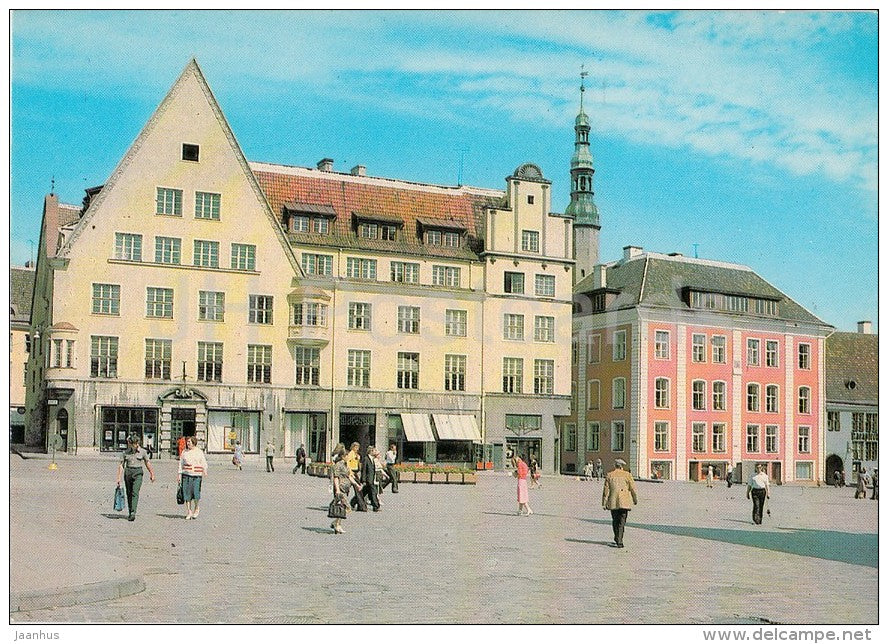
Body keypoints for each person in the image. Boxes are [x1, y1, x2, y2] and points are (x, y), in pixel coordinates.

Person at [116, 434, 156, 521]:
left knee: (135, 492)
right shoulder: (125, 452)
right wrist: (118, 478)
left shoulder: (143, 452)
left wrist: (152, 474)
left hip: (138, 473)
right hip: (128, 473)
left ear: (137, 443)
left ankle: (133, 512)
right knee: (129, 493)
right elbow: (121, 465)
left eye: (135, 444)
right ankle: (130, 511)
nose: (134, 446)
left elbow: (147, 463)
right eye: (132, 444)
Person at [602, 458, 638, 548]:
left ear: (615, 466)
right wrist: (635, 499)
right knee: (622, 522)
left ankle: (617, 539)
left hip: (613, 502)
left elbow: (606, 491)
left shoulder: (610, 475)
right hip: (624, 502)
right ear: (622, 466)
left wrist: (604, 502)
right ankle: (620, 541)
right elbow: (633, 489)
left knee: (615, 521)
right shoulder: (628, 475)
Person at [178, 436, 208, 520]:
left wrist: (205, 470)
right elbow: (181, 464)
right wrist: (179, 475)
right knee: (186, 494)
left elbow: (203, 462)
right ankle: (189, 511)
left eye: (189, 442)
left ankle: (196, 508)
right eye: (187, 442)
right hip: (186, 474)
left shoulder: (199, 452)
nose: (188, 443)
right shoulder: (184, 452)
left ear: (194, 443)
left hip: (196, 475)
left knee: (196, 493)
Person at [329, 445, 352, 534]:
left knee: (342, 507)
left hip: (345, 488)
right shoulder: (338, 465)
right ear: (343, 456)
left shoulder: (345, 464)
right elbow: (336, 477)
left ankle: (337, 524)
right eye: (347, 456)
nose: (348, 457)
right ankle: (336, 523)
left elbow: (349, 475)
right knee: (347, 507)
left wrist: (356, 484)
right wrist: (337, 489)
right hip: (340, 488)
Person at [353, 445, 382, 512]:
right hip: (368, 479)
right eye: (374, 450)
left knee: (363, 492)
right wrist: (363, 480)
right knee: (373, 492)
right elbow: (364, 470)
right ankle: (376, 506)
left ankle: (353, 502)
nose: (375, 452)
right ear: (371, 451)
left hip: (372, 479)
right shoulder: (366, 459)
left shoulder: (372, 459)